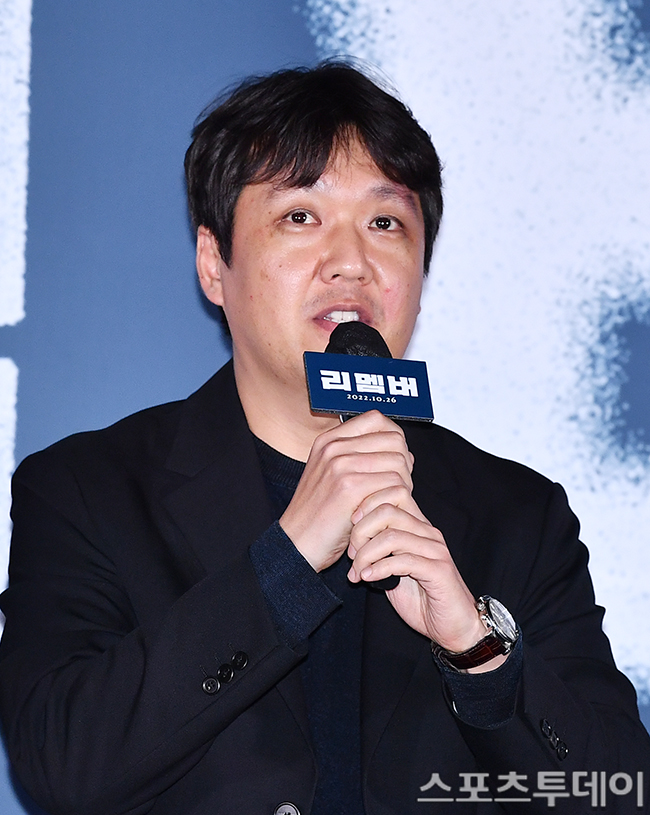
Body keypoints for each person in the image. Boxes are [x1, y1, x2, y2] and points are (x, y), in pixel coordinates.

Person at [1, 62, 648, 815]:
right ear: (214, 263)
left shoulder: (517, 514)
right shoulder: (88, 491)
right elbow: (61, 766)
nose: (351, 263)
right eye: (301, 216)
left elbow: (617, 793)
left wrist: (477, 651)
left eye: (385, 223)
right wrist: (286, 563)